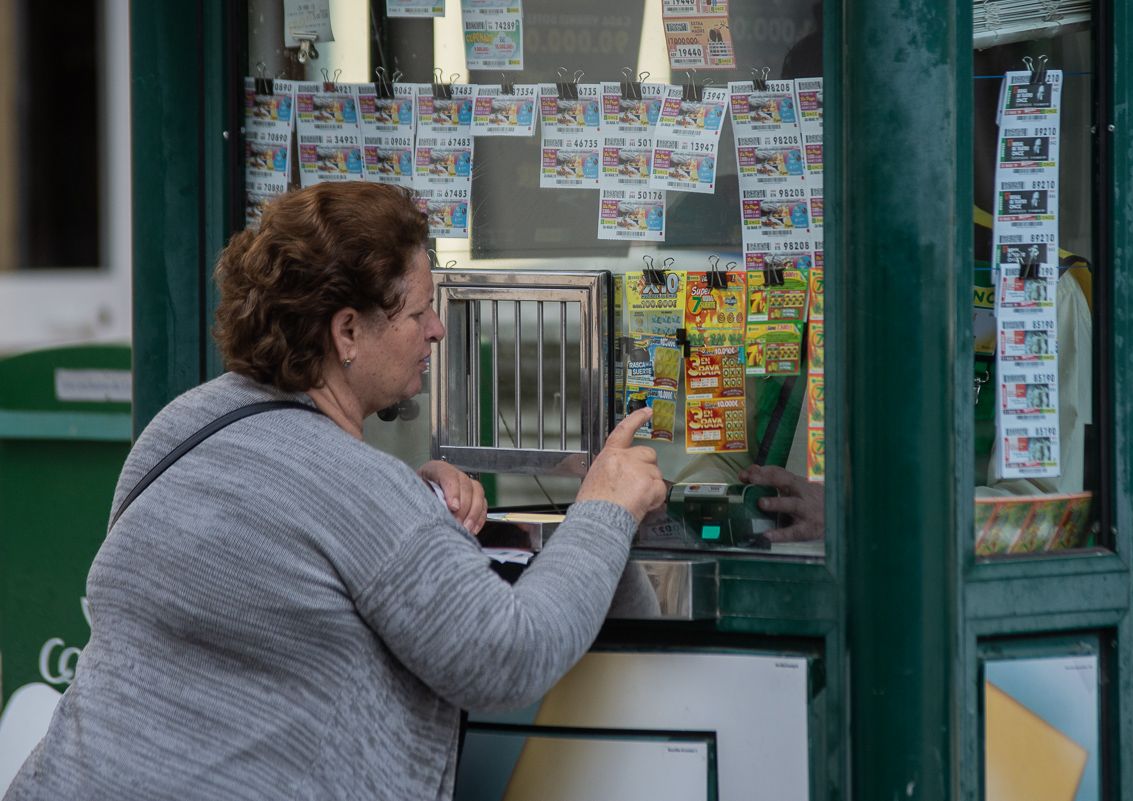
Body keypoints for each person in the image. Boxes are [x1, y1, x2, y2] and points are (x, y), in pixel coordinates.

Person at [4, 182, 665, 801]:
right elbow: (506, 656)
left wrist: (409, 501)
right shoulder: (356, 490)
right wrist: (605, 505)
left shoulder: (181, 426)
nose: (437, 330)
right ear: (347, 331)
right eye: (420, 311)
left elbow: (273, 549)